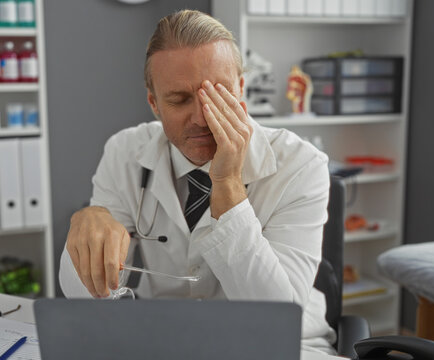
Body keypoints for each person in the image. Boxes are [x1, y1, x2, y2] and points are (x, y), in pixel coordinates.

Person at [59, 9, 337, 354]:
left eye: (218, 94)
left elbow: (275, 316)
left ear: (241, 89)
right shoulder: (124, 152)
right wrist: (87, 232)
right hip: (168, 338)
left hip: (283, 347)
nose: (202, 117)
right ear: (154, 103)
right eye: (179, 99)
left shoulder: (301, 164)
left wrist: (228, 185)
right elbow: (87, 296)